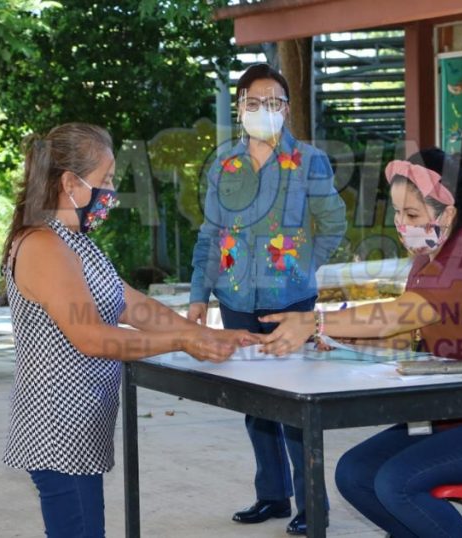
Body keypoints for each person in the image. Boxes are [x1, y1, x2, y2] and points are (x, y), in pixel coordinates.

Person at [259, 148, 462, 537]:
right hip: (457, 416)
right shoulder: (428, 257)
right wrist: (333, 334)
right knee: (355, 473)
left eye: (412, 215)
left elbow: (402, 314)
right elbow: (403, 335)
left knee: (395, 483)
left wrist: (317, 320)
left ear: (447, 213)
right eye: (398, 213)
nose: (401, 224)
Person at [1, 122, 258, 538]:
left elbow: (135, 306)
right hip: (57, 432)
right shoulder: (44, 245)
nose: (111, 193)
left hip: (80, 429)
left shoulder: (76, 242)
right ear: (69, 182)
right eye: (104, 181)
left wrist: (209, 334)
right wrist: (181, 340)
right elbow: (92, 337)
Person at [186, 63, 347, 535]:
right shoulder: (224, 164)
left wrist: (301, 268)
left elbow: (333, 223)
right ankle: (273, 497)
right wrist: (200, 293)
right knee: (256, 406)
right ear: (240, 109)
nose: (265, 110)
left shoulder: (310, 160)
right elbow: (211, 233)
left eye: (274, 101)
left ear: (287, 108)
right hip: (235, 298)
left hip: (291, 304)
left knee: (299, 410)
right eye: (254, 102)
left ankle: (311, 507)